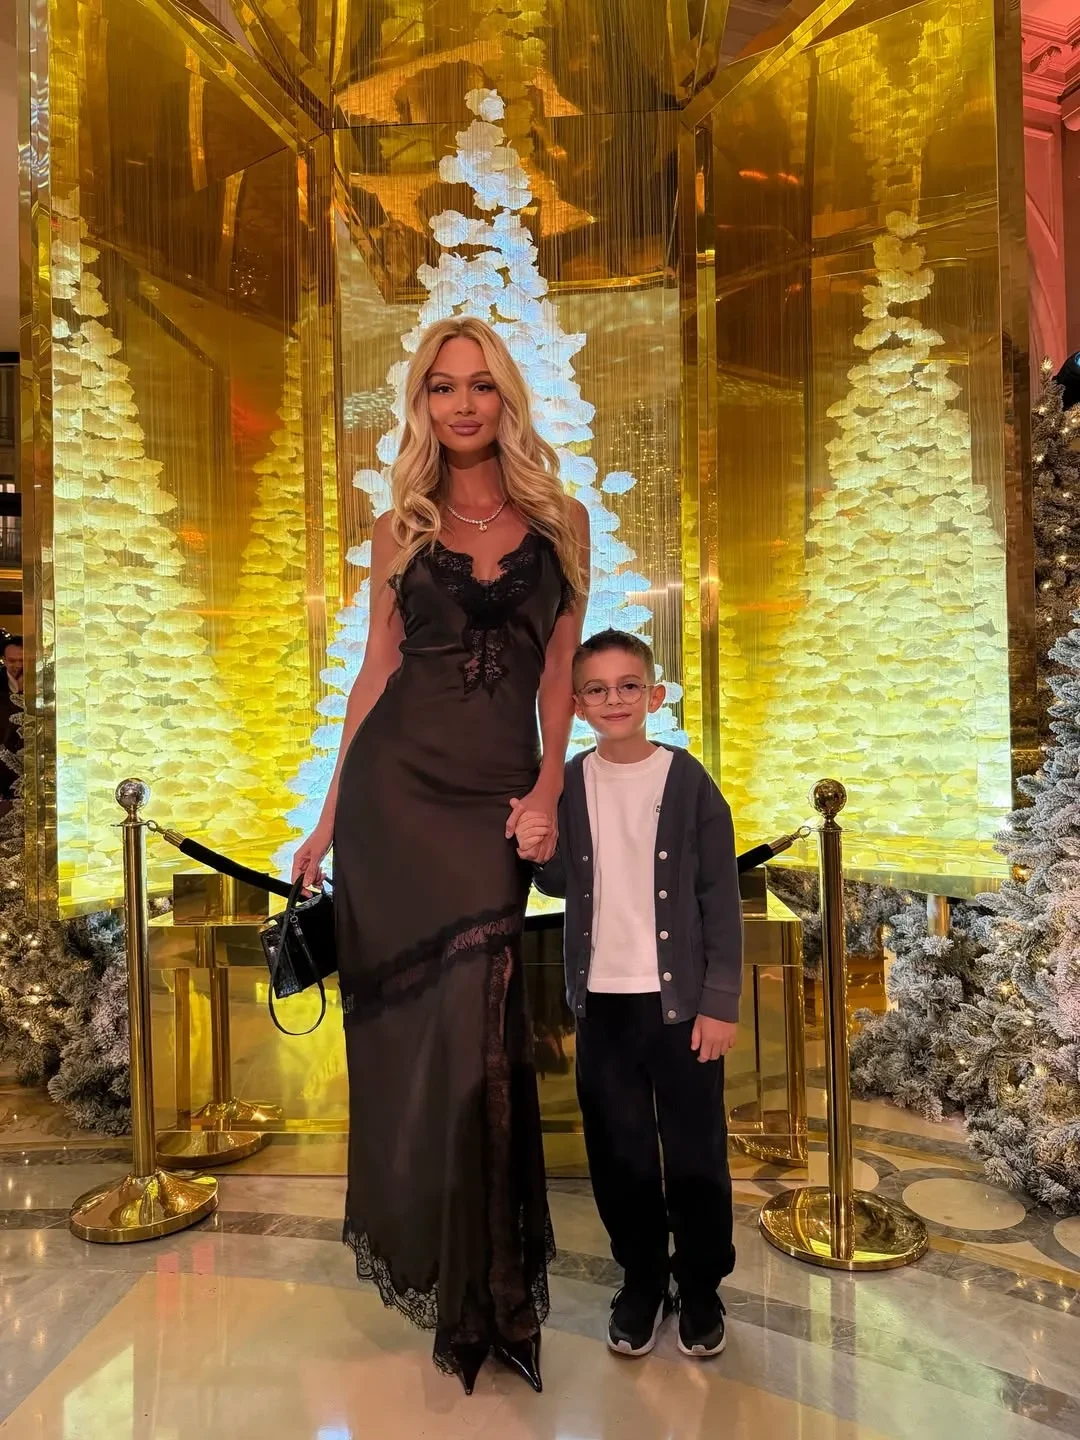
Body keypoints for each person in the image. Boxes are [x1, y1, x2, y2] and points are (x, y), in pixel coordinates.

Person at [292, 317, 589, 1395]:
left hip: (492, 805)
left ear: (507, 398)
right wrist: (328, 819)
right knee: (424, 1045)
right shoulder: (398, 529)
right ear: (421, 405)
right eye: (441, 388)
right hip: (396, 795)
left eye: (480, 386)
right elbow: (375, 673)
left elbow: (558, 672)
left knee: (485, 1037)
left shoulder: (562, 522)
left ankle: (499, 1295)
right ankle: (465, 1296)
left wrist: (548, 786)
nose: (462, 405)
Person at [519, 628, 742, 1362]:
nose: (613, 699)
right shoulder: (569, 783)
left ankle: (700, 1284)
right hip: (603, 1004)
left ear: (655, 695)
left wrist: (719, 1001)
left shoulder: (688, 781)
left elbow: (719, 896)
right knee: (620, 1154)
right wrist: (537, 849)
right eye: (596, 689)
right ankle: (642, 1279)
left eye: (627, 686)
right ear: (577, 704)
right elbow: (560, 881)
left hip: (681, 1007)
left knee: (696, 1153)